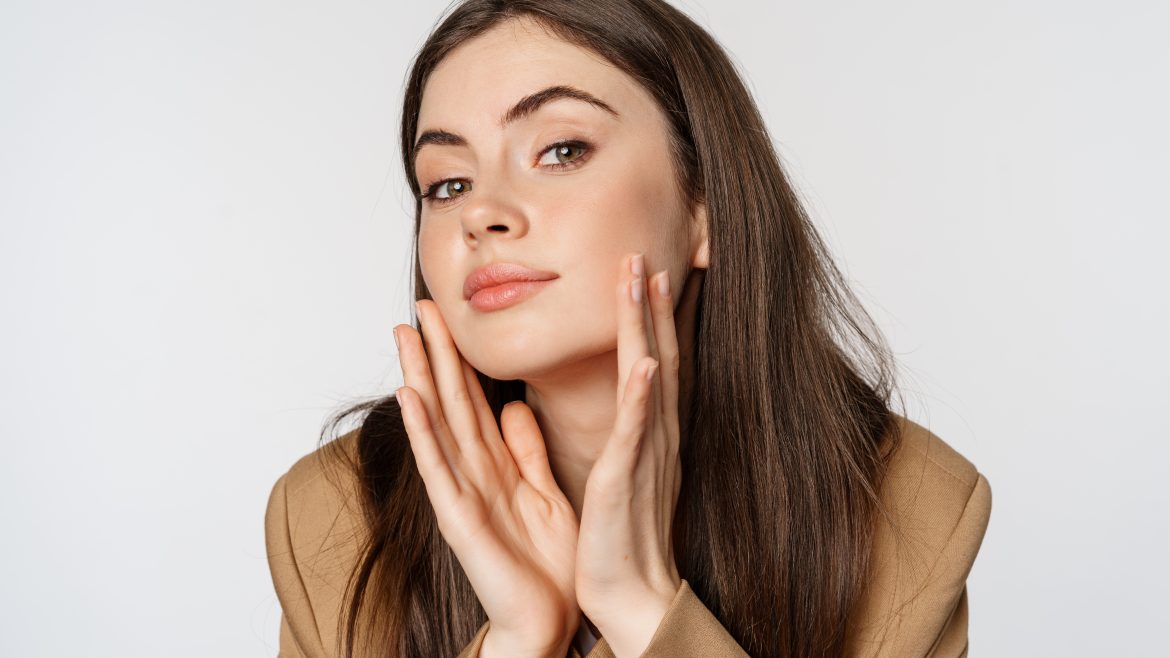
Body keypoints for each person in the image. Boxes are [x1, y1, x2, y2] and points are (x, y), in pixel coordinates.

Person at [263, 1, 993, 657]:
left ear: (704, 204)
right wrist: (519, 641)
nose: (482, 213)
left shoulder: (908, 512)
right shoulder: (333, 519)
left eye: (561, 150)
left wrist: (644, 609)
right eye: (448, 183)